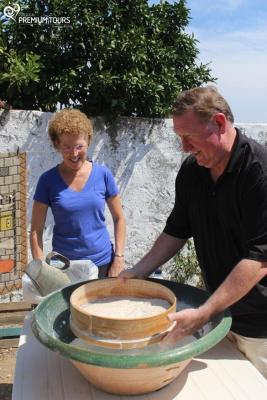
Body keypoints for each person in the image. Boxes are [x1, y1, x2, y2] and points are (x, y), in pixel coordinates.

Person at [120, 86, 267, 378]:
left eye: (189, 137)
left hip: (261, 328)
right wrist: (138, 271)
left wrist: (203, 313)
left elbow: (260, 259)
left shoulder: (259, 171)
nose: (184, 148)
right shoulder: (192, 171)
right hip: (221, 314)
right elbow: (177, 230)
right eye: (180, 139)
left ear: (220, 123)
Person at [30, 109, 126, 278]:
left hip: (103, 264)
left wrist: (118, 258)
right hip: (64, 268)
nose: (74, 154)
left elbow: (119, 218)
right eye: (66, 147)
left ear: (88, 141)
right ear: (56, 144)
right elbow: (36, 231)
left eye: (79, 146)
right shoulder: (47, 181)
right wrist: (41, 271)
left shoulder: (103, 175)